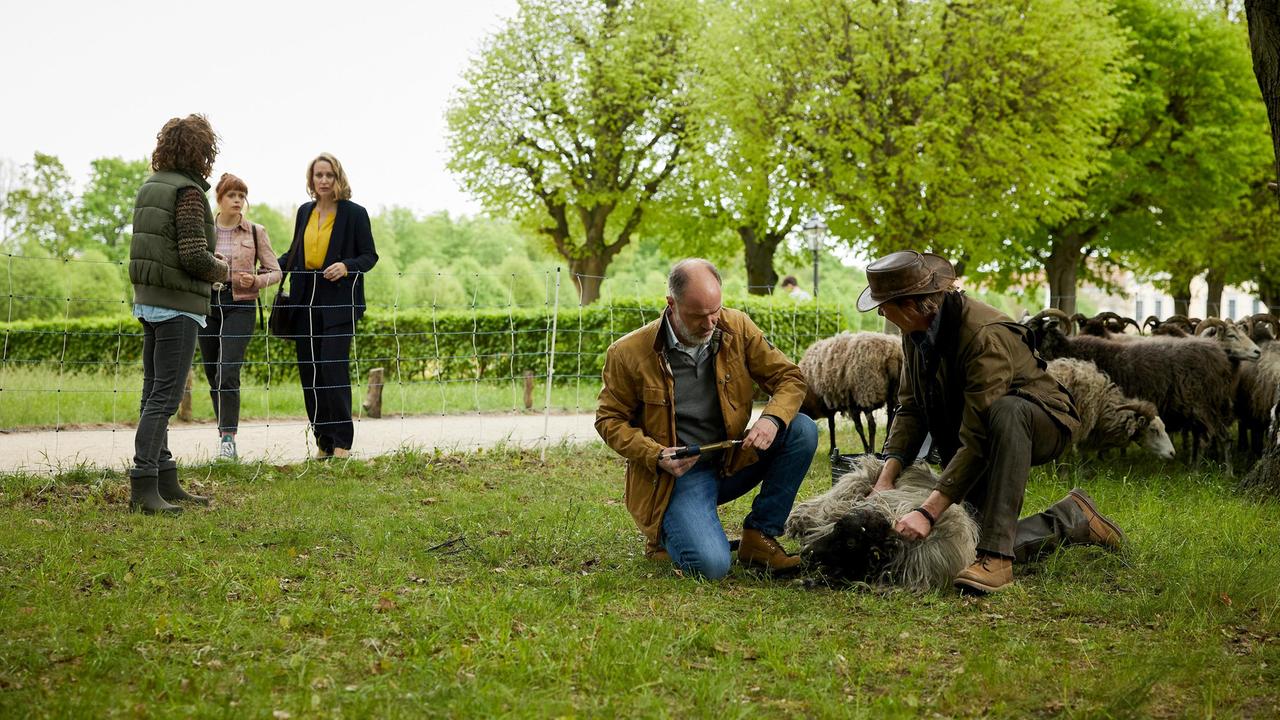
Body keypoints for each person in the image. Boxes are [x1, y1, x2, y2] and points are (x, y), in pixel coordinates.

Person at [860, 250, 1127, 593]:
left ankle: (998, 561)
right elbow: (911, 408)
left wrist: (927, 513)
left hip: (1038, 419)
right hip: (980, 429)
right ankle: (1071, 519)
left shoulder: (982, 335)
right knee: (967, 542)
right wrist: (885, 480)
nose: (882, 311)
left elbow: (980, 434)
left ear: (912, 304)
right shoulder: (915, 333)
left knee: (1007, 411)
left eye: (885, 305)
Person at [596, 259, 818, 580]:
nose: (710, 323)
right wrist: (654, 455)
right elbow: (608, 420)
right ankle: (666, 537)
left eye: (715, 311)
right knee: (711, 567)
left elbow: (789, 378)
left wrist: (771, 419)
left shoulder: (737, 327)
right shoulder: (628, 353)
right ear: (671, 304)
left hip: (733, 458)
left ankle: (759, 536)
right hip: (678, 476)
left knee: (801, 429)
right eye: (698, 315)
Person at [127, 114, 230, 513]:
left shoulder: (150, 186)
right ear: (201, 151)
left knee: (153, 391)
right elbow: (191, 255)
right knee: (165, 397)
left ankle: (164, 480)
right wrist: (220, 268)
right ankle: (144, 484)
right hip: (177, 306)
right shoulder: (187, 192)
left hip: (148, 300)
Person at [278, 153, 377, 459]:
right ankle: (323, 443)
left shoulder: (355, 213)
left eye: (328, 175)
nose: (323, 180)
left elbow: (369, 256)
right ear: (312, 179)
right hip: (303, 298)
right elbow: (294, 254)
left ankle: (342, 443)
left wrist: (347, 266)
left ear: (338, 178)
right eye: (318, 175)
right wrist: (266, 268)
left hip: (338, 300)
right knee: (310, 374)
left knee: (332, 370)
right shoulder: (304, 211)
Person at [197, 173, 281, 460]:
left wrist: (256, 281)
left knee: (227, 371)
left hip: (241, 305)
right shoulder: (203, 230)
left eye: (241, 196)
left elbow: (275, 271)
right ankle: (223, 431)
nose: (238, 201)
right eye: (232, 195)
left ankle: (229, 440)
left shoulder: (256, 231)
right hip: (207, 303)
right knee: (212, 373)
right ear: (219, 199)